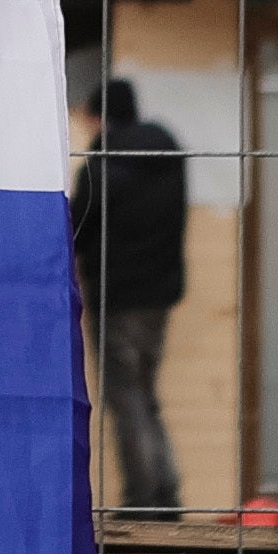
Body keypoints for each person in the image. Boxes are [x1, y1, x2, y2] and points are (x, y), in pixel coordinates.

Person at [70, 75, 193, 514]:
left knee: (125, 400)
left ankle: (143, 500)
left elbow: (76, 230)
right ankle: (166, 493)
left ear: (101, 117)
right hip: (157, 297)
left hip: (116, 297)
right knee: (145, 395)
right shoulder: (167, 156)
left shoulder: (102, 166)